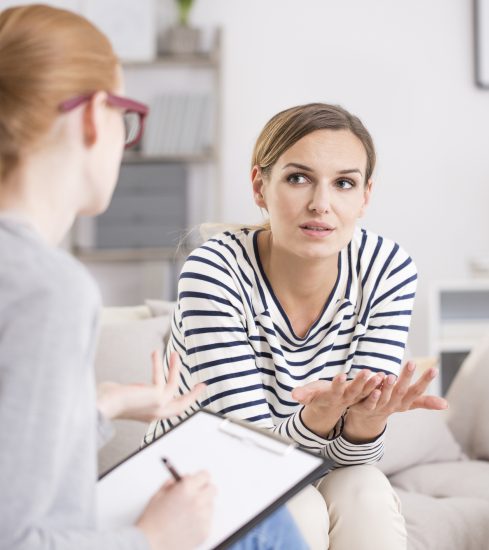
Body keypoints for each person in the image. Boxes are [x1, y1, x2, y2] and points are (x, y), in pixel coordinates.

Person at [0, 5, 306, 550]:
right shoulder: (50, 289)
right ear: (96, 115)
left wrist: (103, 405)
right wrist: (154, 539)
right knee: (262, 524)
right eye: (127, 114)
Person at [144, 102, 449, 549]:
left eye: (343, 183)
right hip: (196, 474)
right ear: (259, 185)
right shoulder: (214, 270)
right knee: (299, 506)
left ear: (365, 196)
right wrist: (320, 417)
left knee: (365, 490)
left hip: (306, 465)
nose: (320, 204)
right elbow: (249, 454)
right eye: (298, 178)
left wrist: (365, 422)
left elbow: (355, 457)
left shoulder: (386, 268)